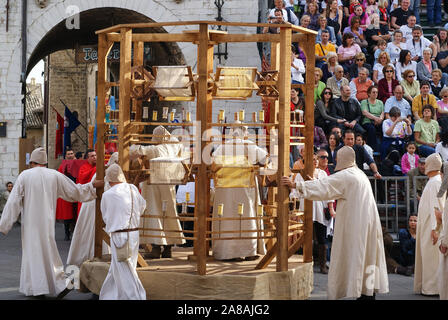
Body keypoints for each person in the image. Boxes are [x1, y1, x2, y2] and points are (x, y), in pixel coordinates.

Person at [281, 146, 389, 300]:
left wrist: (296, 185)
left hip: (356, 226)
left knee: (356, 257)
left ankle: (362, 293)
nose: (335, 160)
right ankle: (366, 292)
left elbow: (324, 187)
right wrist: (313, 184)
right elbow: (326, 185)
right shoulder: (360, 174)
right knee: (366, 258)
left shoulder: (346, 176)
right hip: (367, 224)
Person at [0, 147, 103, 298]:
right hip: (47, 222)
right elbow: (74, 191)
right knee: (48, 251)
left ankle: (37, 287)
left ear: (32, 162)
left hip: (30, 223)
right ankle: (57, 283)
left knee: (33, 253)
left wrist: (5, 224)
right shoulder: (54, 175)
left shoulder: (25, 176)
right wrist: (92, 186)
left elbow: (13, 202)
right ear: (45, 162)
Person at [211, 125, 268, 261]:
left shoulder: (222, 148)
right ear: (245, 133)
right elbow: (266, 159)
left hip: (225, 190)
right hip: (244, 188)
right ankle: (249, 250)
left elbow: (212, 164)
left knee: (226, 218)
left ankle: (227, 252)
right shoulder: (250, 146)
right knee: (246, 217)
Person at [129, 126, 186, 259]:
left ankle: (156, 247)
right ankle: (168, 248)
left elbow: (136, 151)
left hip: (154, 184)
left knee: (154, 212)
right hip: (169, 184)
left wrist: (129, 142)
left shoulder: (156, 149)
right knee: (169, 213)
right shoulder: (174, 146)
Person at [99, 164, 147, 300]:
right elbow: (143, 206)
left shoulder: (107, 194)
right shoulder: (132, 188)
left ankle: (136, 296)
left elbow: (105, 215)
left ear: (109, 179)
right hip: (134, 233)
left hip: (119, 234)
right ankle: (110, 295)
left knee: (125, 269)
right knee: (122, 265)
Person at [66, 153, 118, 267]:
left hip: (101, 206)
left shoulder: (105, 173)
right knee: (90, 231)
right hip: (93, 206)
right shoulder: (101, 173)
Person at [290, 153, 334, 274]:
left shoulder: (322, 174)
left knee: (321, 237)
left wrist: (330, 208)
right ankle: (307, 262)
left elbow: (328, 190)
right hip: (306, 208)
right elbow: (295, 192)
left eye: (316, 159)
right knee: (307, 236)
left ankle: (323, 265)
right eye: (311, 160)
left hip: (320, 208)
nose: (314, 162)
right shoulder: (300, 175)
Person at [414, 153, 444, 296]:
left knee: (432, 258)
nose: (424, 166)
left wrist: (435, 229)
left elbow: (436, 207)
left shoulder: (435, 182)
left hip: (431, 226)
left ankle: (433, 288)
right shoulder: (434, 181)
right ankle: (429, 286)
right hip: (428, 225)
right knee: (429, 257)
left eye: (427, 163)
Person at [56, 148, 77, 241]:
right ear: (66, 156)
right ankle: (67, 233)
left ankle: (75, 233)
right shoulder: (62, 166)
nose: (70, 155)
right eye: (68, 154)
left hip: (77, 190)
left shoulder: (78, 164)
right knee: (67, 215)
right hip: (66, 191)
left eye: (72, 153)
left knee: (76, 213)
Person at [360, 85, 384, 152]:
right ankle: (373, 149)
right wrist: (375, 118)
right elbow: (364, 112)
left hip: (378, 121)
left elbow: (382, 113)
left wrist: (380, 119)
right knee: (371, 129)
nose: (375, 94)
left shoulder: (380, 102)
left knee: (384, 127)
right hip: (368, 121)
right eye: (373, 92)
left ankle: (383, 148)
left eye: (376, 92)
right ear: (369, 93)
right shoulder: (364, 102)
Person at [77, 149, 97, 217]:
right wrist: (94, 170)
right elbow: (82, 179)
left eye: (95, 155)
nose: (94, 157)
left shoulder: (98, 166)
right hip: (86, 194)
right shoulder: (83, 167)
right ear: (87, 158)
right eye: (92, 156)